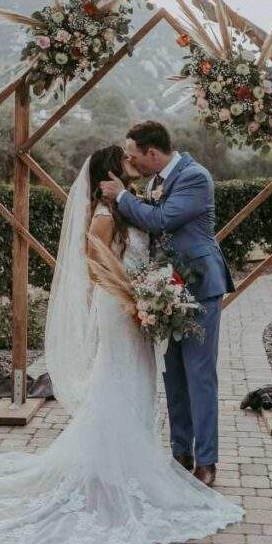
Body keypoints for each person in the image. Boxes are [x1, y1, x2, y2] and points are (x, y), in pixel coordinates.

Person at [0, 144, 243, 544]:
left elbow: (154, 236)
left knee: (141, 383)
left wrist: (145, 292)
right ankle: (115, 467)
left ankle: (137, 462)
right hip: (120, 310)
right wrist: (132, 295)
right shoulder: (107, 216)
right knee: (119, 382)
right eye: (127, 163)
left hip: (136, 308)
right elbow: (94, 268)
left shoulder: (131, 207)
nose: (134, 166)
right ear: (111, 175)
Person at [99, 121, 234, 487]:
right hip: (166, 288)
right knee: (173, 375)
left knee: (200, 376)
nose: (131, 161)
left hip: (199, 285)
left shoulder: (195, 177)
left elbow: (162, 219)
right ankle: (180, 453)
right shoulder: (156, 182)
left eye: (133, 155)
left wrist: (123, 198)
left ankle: (207, 462)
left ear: (152, 154)